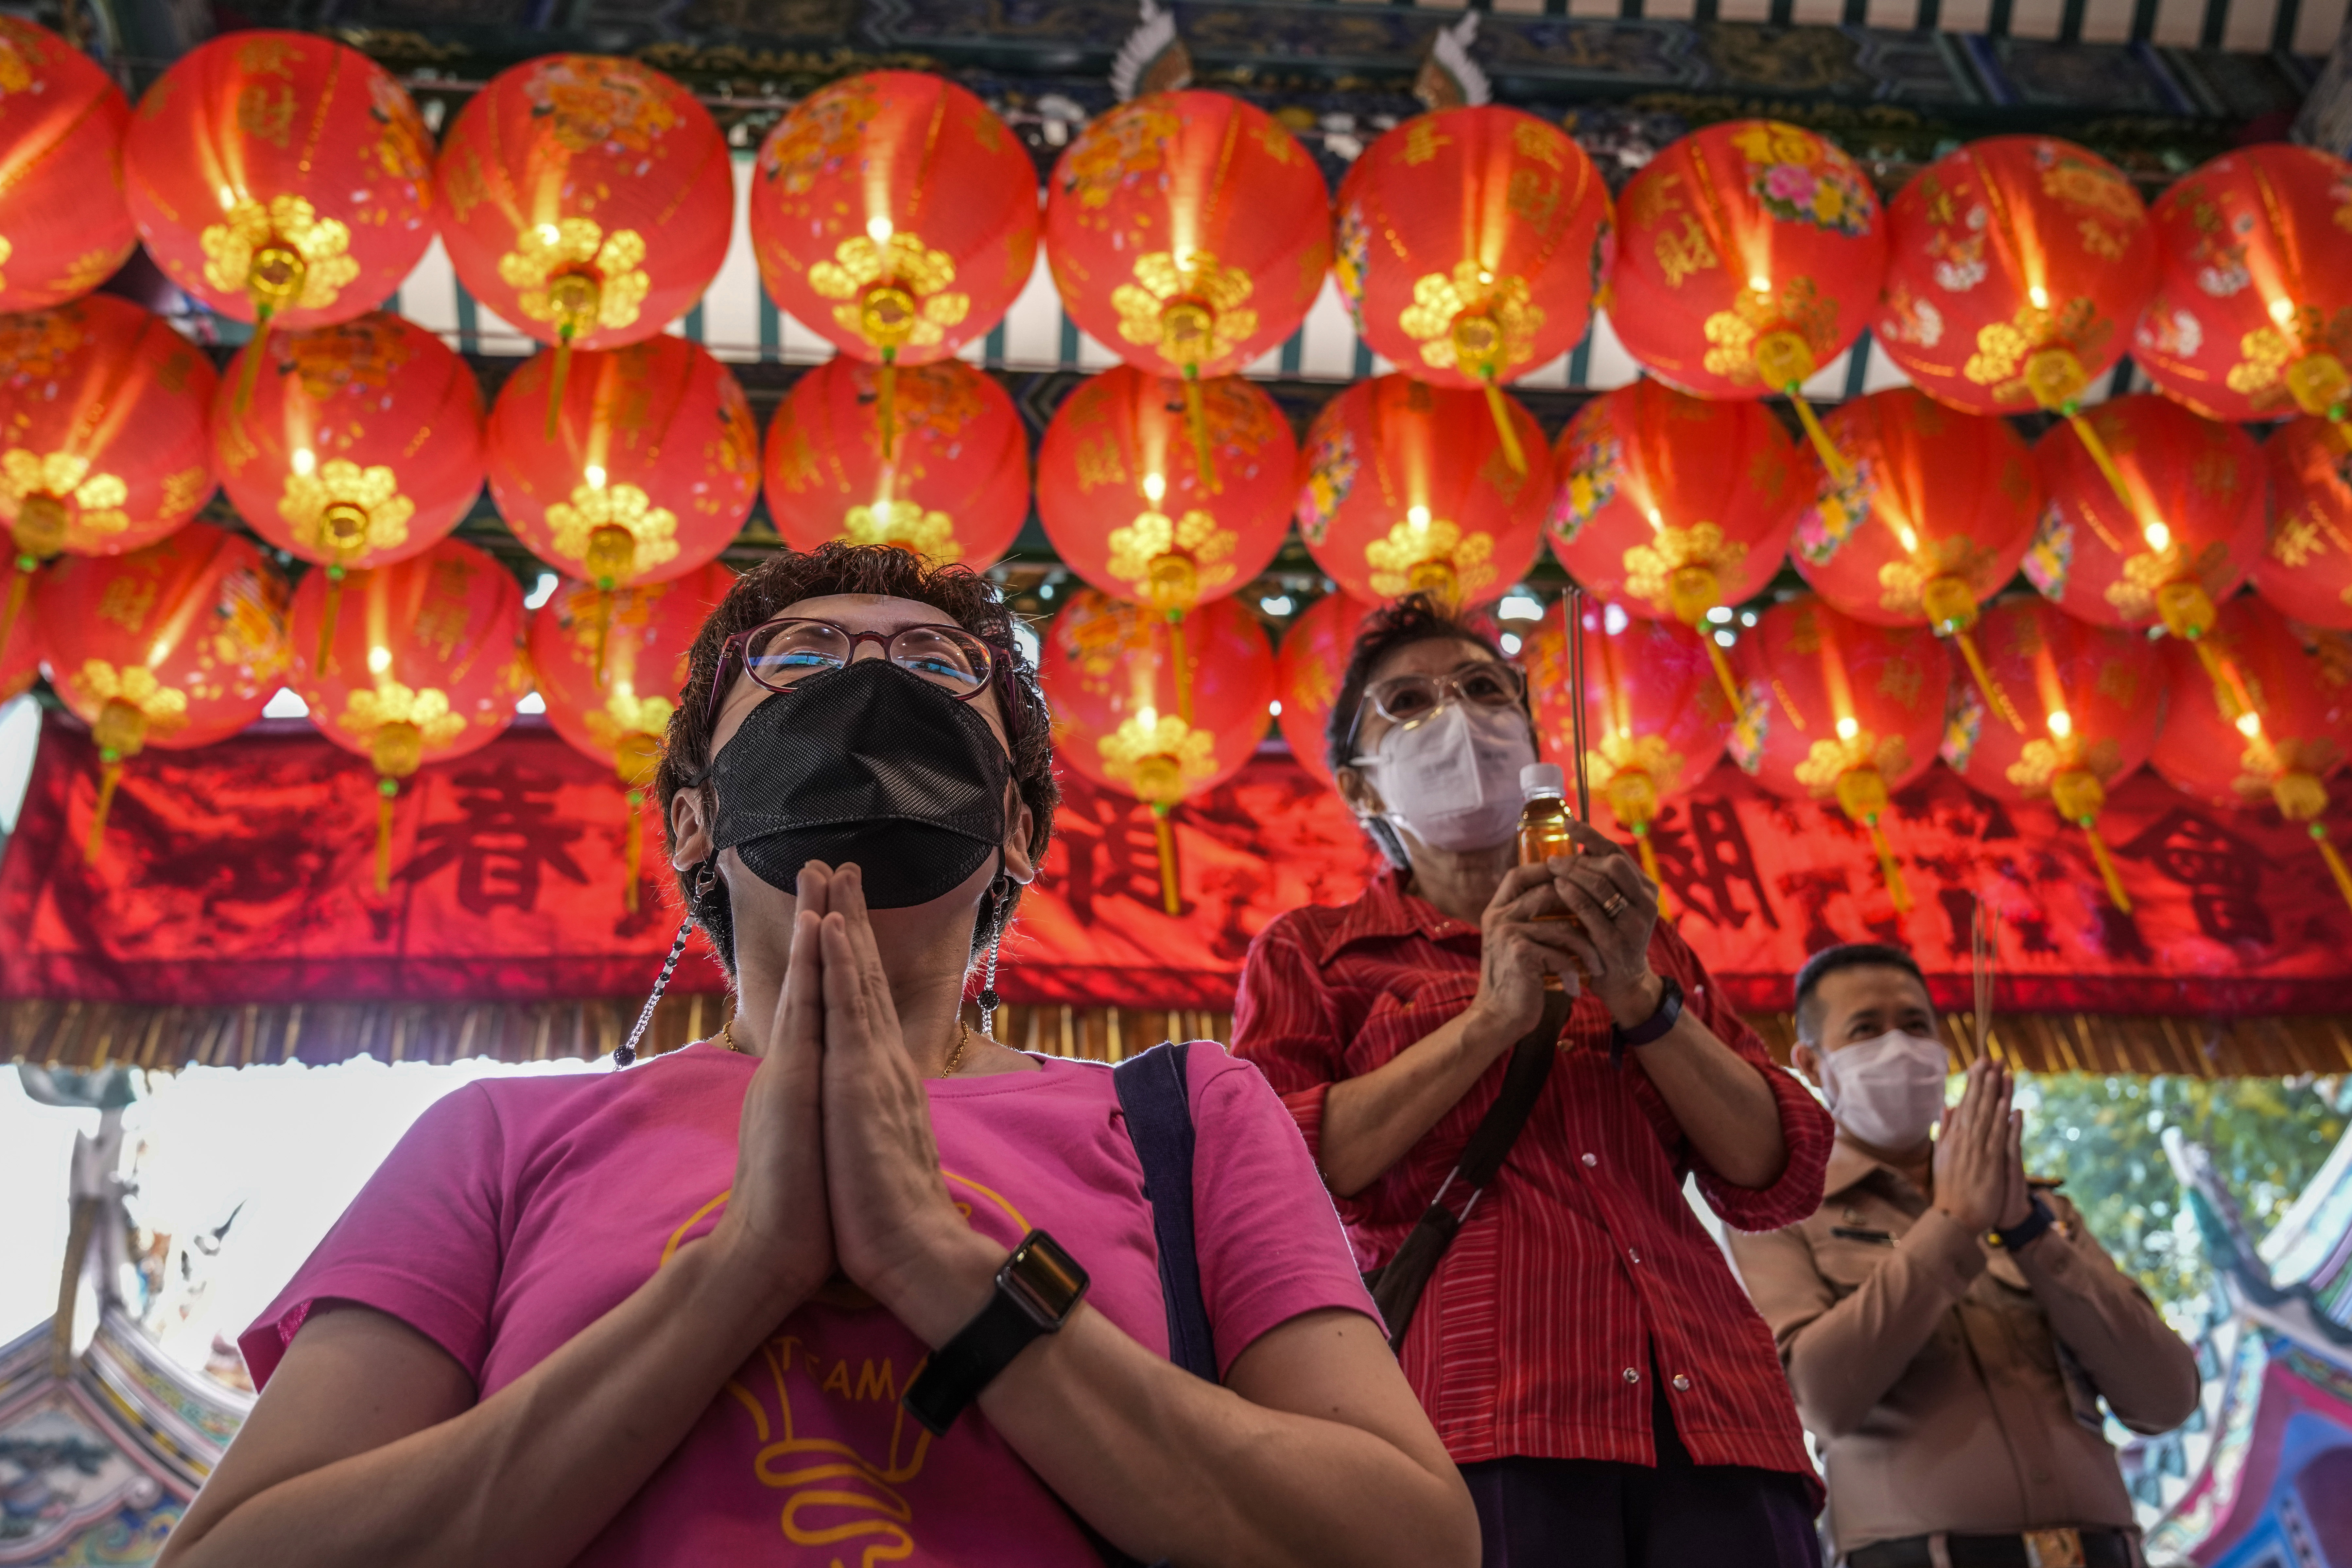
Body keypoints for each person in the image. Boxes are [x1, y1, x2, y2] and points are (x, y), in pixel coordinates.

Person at [157, 544, 1480, 1568]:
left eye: (935, 664)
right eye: (802, 660)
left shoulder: (1187, 1114)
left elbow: (1408, 1536)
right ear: (693, 819)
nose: (873, 684)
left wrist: (941, 1264)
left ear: (1017, 827)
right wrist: (739, 1273)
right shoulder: (497, 1136)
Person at [1231, 593, 1835, 1568]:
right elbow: (1278, 1169)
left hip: (1717, 1411)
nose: (1460, 716)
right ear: (1363, 787)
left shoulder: (1642, 934)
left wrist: (1639, 992)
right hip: (1480, 1413)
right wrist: (1491, 1019)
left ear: (1535, 744)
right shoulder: (1315, 955)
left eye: (1483, 689)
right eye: (1410, 703)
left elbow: (1777, 1166)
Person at [1727, 943, 2202, 1568]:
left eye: (1916, 1025)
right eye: (1866, 1029)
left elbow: (2166, 1399)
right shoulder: (1782, 1210)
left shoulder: (2037, 1208)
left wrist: (2028, 1231)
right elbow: (1820, 1400)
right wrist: (1953, 1224)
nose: (1898, 1046)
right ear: (1813, 1063)